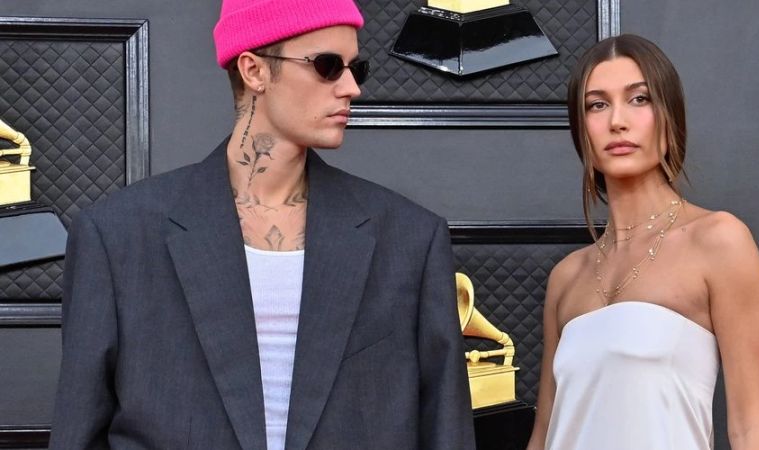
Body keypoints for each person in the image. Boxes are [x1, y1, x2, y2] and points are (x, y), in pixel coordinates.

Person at [49, 0, 475, 448]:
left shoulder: (408, 238)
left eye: (356, 68)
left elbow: (445, 429)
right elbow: (81, 430)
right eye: (328, 66)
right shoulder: (119, 236)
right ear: (253, 71)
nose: (351, 87)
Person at [526, 34, 759, 450]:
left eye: (639, 99)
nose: (617, 121)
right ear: (580, 128)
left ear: (669, 115)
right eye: (597, 104)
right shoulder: (567, 277)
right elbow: (545, 432)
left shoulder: (719, 241)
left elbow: (750, 427)